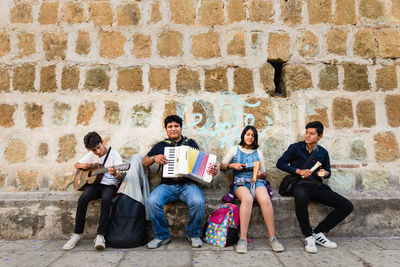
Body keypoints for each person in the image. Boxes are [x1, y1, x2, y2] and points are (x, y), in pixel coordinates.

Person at [276, 121, 353, 253]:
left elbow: (327, 172)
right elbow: (280, 163)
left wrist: (324, 173)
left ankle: (318, 232)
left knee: (346, 206)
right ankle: (308, 235)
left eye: (312, 133)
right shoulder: (295, 147)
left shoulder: (322, 152)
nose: (308, 136)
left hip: (316, 186)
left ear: (320, 136)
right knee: (300, 198)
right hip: (299, 184)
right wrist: (298, 171)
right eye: (307, 132)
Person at [143, 115, 218, 249]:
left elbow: (200, 165)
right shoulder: (161, 145)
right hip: (167, 185)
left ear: (181, 128)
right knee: (152, 201)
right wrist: (155, 158)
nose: (173, 129)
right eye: (170, 127)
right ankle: (162, 236)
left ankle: (193, 234)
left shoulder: (190, 143)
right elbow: (144, 161)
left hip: (188, 185)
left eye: (176, 126)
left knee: (198, 202)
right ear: (166, 129)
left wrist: (211, 170)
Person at [220, 125, 284, 254]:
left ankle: (273, 238)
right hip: (240, 182)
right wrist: (233, 165)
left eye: (253, 136)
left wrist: (261, 174)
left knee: (265, 200)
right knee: (248, 199)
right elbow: (222, 166)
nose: (250, 137)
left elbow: (265, 173)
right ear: (243, 135)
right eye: (248, 134)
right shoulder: (235, 149)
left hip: (257, 181)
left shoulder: (258, 153)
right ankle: (242, 239)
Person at [63, 132, 124, 251]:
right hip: (95, 184)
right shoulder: (92, 155)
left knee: (106, 200)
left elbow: (121, 177)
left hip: (109, 185)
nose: (98, 152)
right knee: (83, 199)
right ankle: (77, 234)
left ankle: (101, 236)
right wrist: (85, 166)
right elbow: (77, 164)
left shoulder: (114, 155)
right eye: (94, 150)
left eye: (98, 148)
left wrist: (115, 173)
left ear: (102, 143)